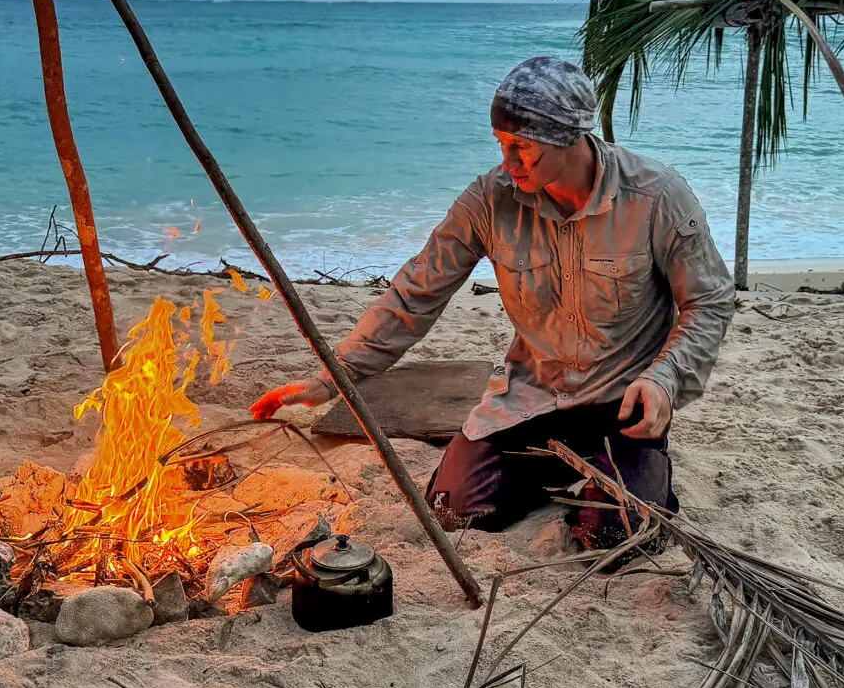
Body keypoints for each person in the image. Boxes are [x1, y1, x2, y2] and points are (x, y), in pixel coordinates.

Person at [251, 55, 735, 546]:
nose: (508, 163)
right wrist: (333, 377)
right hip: (532, 398)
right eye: (502, 145)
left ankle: (623, 476)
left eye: (522, 148)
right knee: (453, 511)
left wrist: (665, 379)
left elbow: (709, 301)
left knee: (616, 537)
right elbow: (417, 291)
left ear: (569, 138)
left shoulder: (656, 196)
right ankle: (574, 475)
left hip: (625, 401)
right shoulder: (489, 198)